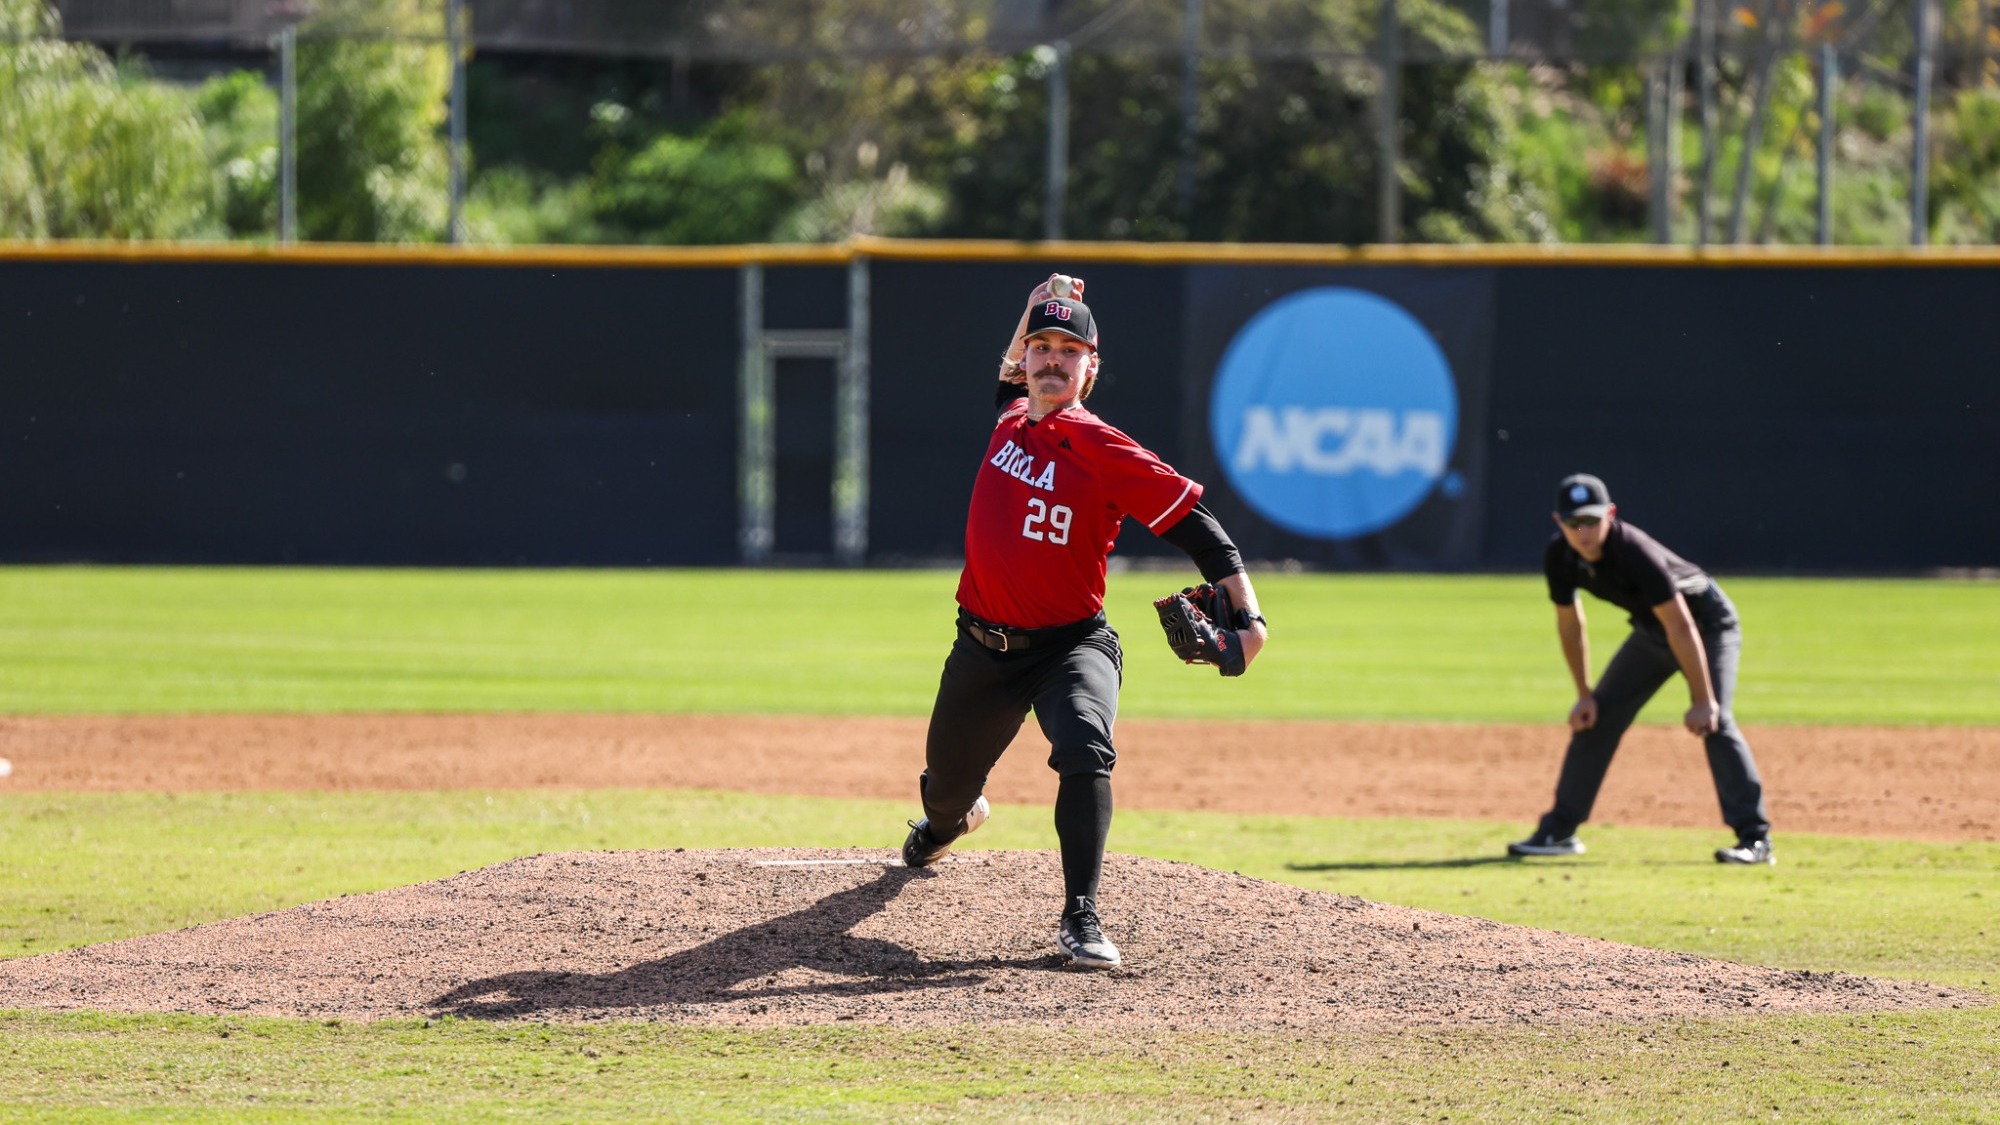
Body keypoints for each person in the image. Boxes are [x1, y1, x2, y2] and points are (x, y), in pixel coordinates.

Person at [902, 273, 1270, 969]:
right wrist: (1035, 298)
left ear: (1089, 367)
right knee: (944, 790)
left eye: (1066, 350)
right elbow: (1008, 371)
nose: (1047, 358)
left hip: (1072, 644)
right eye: (1039, 345)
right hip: (981, 650)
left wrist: (1248, 618)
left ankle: (1081, 915)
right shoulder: (1012, 416)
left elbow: (1201, 529)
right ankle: (950, 820)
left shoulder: (1103, 447)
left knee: (1084, 747)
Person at [1508, 473, 1775, 865]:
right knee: (1596, 718)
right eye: (1572, 523)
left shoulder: (1634, 551)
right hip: (1654, 632)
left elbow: (1682, 626)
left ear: (1610, 515)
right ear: (1557, 522)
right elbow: (1570, 624)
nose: (1583, 531)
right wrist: (1584, 694)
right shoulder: (1560, 558)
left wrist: (1703, 699)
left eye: (1591, 520)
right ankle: (1560, 830)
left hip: (1706, 624)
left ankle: (1755, 839)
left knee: (1715, 720)